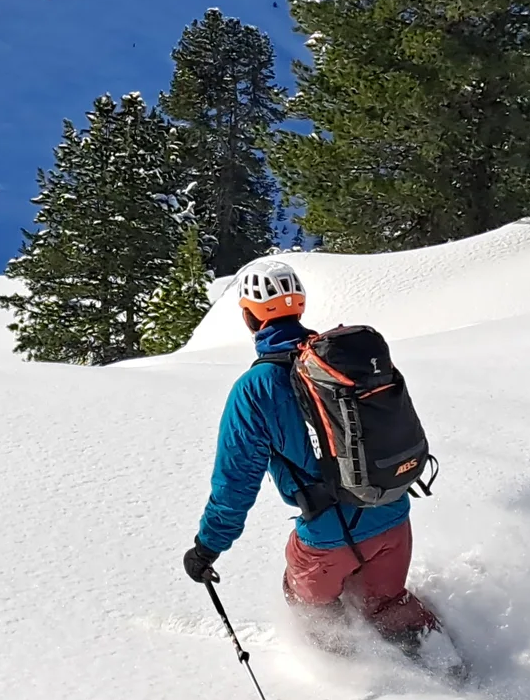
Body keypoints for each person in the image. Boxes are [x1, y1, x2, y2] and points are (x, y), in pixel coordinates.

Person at [182, 257, 438, 650]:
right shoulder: (341, 362)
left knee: (306, 601)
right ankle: (450, 661)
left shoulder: (255, 388)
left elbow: (235, 483)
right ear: (298, 307)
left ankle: (346, 675)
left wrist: (207, 548)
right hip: (393, 517)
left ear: (250, 318)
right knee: (386, 604)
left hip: (326, 539)